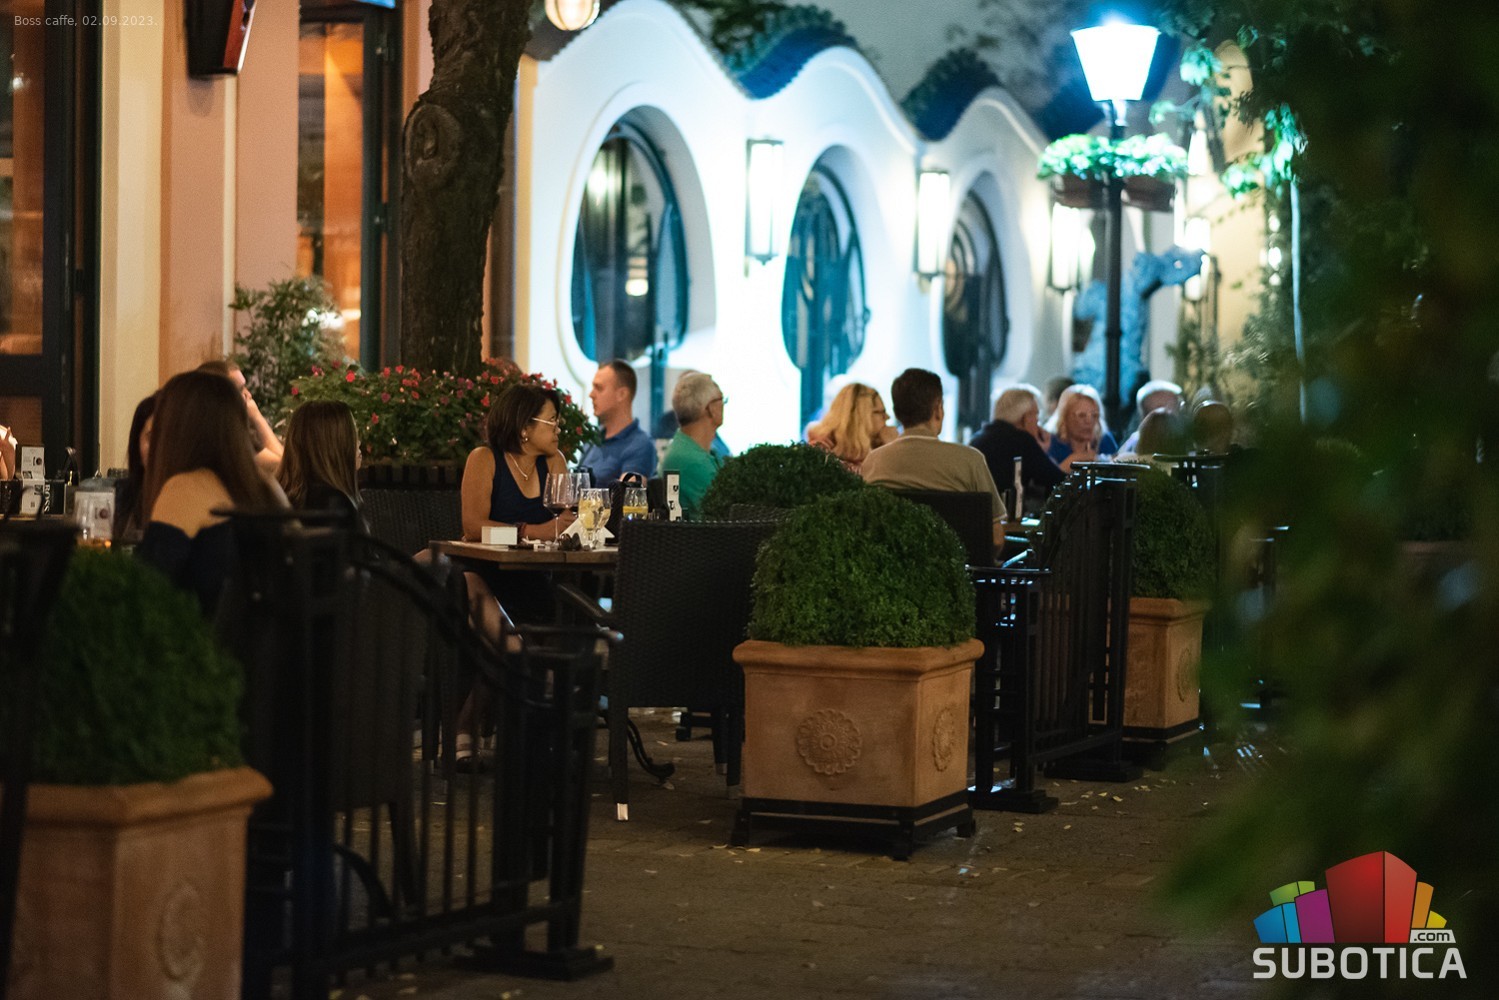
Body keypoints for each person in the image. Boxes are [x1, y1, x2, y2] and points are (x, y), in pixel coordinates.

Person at [136, 370, 287, 614]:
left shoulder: (184, 489)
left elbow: (144, 588)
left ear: (174, 429)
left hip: (203, 636)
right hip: (269, 635)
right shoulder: (265, 485)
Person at [460, 382, 575, 622]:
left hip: (536, 576)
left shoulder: (554, 461)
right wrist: (531, 531)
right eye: (552, 421)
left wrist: (570, 526)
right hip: (486, 575)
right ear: (524, 428)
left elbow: (566, 523)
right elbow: (473, 528)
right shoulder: (485, 459)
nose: (558, 429)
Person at [860, 368, 1007, 546]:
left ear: (897, 413)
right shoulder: (970, 460)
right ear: (938, 409)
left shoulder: (873, 462)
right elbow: (996, 539)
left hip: (893, 561)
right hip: (956, 562)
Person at [969, 384, 1066, 506]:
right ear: (1025, 417)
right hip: (1005, 513)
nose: (1038, 421)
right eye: (1036, 415)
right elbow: (1057, 481)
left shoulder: (976, 439)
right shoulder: (1022, 441)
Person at [277, 400, 365, 529]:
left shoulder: (283, 495)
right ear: (335, 445)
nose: (359, 443)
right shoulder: (334, 504)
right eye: (353, 435)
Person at [661, 372, 730, 520]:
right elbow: (723, 516)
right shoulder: (693, 462)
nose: (724, 405)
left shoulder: (686, 449)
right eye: (721, 399)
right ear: (710, 408)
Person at [576, 359, 657, 484]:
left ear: (622, 394)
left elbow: (628, 493)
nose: (591, 395)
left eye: (599, 388)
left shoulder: (640, 445)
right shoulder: (593, 439)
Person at [198, 359, 284, 473]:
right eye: (240, 389)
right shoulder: (229, 435)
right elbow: (283, 466)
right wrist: (257, 417)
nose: (248, 394)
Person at [805, 381, 893, 473]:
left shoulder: (877, 443)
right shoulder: (821, 448)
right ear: (861, 416)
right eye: (881, 412)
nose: (887, 417)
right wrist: (890, 449)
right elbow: (848, 477)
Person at [112, 394, 157, 543]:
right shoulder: (120, 497)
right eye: (151, 437)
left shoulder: (188, 499)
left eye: (165, 437)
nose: (157, 447)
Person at [1045, 384, 1118, 471]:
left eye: (1094, 415)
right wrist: (1076, 459)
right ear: (1065, 417)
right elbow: (1048, 477)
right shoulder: (1050, 443)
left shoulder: (1105, 440)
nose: (1089, 421)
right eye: (1081, 415)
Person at [1118, 379, 1184, 453]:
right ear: (1143, 416)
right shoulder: (1132, 445)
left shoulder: (1188, 441)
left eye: (1170, 408)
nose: (1163, 417)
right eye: (1157, 410)